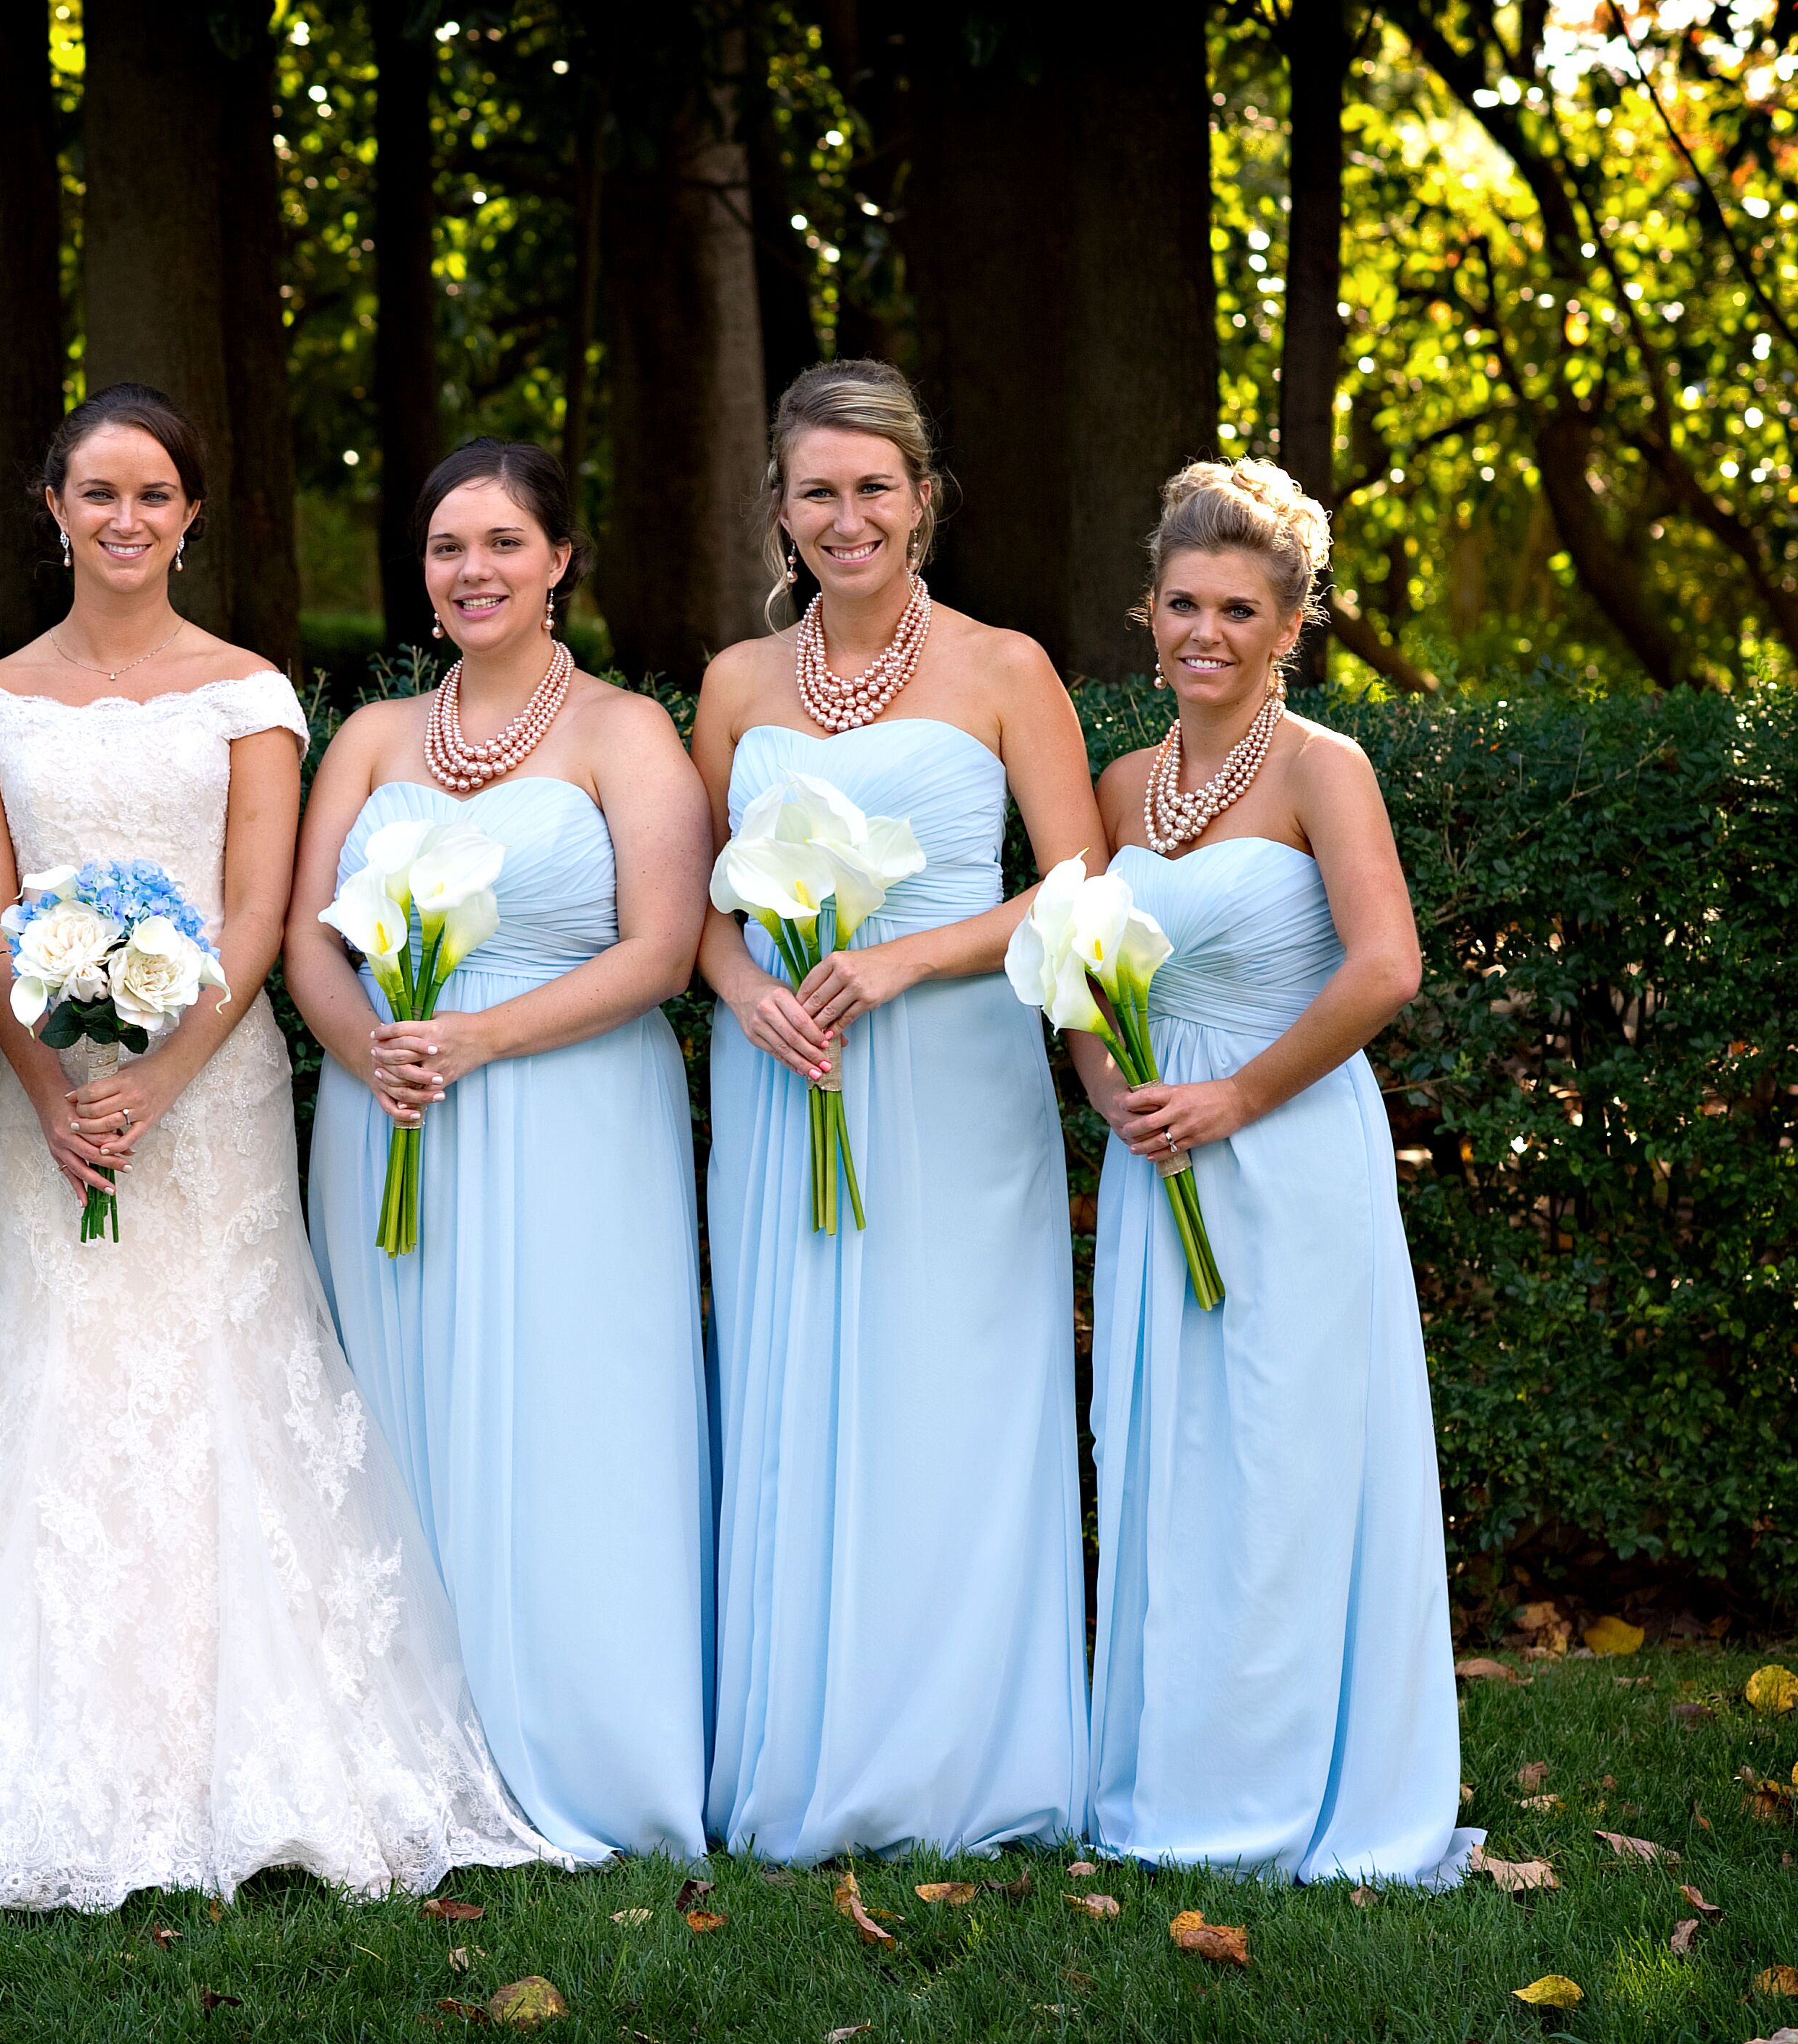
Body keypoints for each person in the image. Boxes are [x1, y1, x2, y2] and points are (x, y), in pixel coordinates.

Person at [0, 384, 556, 1914]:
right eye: (95, 494)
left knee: (223, 1377)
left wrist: (163, 1077)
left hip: (212, 1093)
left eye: (152, 495)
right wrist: (49, 1090)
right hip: (39, 1099)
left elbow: (254, 917)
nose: (123, 521)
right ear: (52, 509)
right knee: (53, 1381)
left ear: (188, 515)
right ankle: (31, 1755)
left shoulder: (249, 693)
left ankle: (264, 1759)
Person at [688, 360, 1098, 1862]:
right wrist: (745, 991)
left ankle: (963, 1764)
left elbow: (1079, 888)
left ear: (923, 499)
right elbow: (692, 911)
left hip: (949, 1077)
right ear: (782, 511)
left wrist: (906, 954)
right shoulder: (736, 684)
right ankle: (803, 1753)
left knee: (950, 1396)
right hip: (783, 1068)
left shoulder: (1004, 668)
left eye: (874, 488)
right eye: (818, 492)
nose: (846, 516)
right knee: (797, 1397)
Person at [290, 438, 713, 1862]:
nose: (471, 571)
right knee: (398, 1416)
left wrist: (479, 1038)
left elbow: (662, 951)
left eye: (501, 545)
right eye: (445, 548)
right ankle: (408, 1757)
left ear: (558, 561)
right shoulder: (366, 740)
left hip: (573, 1112)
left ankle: (591, 1751)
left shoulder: (624, 734)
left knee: (572, 1413)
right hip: (388, 1110)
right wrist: (368, 1049)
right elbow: (306, 938)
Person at [1081, 460, 1478, 1887]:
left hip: (1290, 1147)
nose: (1205, 632)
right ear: (1149, 610)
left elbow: (1386, 966)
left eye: (1238, 609)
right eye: (1182, 603)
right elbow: (1077, 970)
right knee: (1166, 1461)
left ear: (1288, 621)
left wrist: (1238, 1095)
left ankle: (1289, 1794)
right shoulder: (1123, 783)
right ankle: (1167, 1782)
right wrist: (1112, 1090)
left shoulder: (1325, 768)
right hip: (1156, 1159)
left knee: (1284, 1461)